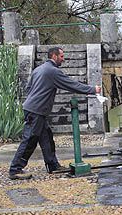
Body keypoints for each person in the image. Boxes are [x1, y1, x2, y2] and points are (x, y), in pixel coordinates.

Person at [9, 47, 101, 180]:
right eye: (62, 56)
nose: (64, 59)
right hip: (36, 111)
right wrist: (92, 89)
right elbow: (71, 84)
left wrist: (33, 101)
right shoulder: (52, 71)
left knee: (46, 137)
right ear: (54, 56)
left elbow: (28, 88)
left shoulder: (38, 69)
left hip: (34, 109)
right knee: (30, 139)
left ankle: (53, 165)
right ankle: (15, 169)